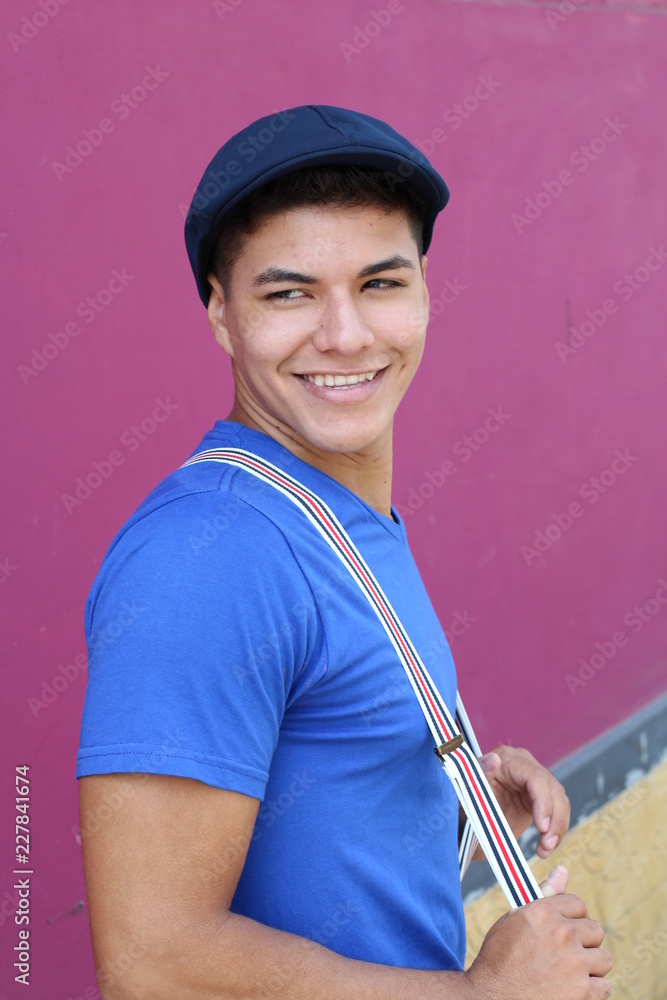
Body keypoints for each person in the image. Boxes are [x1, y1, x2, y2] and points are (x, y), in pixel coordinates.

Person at [76, 104, 613, 999]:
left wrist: (439, 785)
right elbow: (153, 964)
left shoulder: (330, 514)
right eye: (288, 294)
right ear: (220, 312)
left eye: (379, 283)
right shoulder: (209, 556)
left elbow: (305, 794)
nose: (346, 335)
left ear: (424, 290)